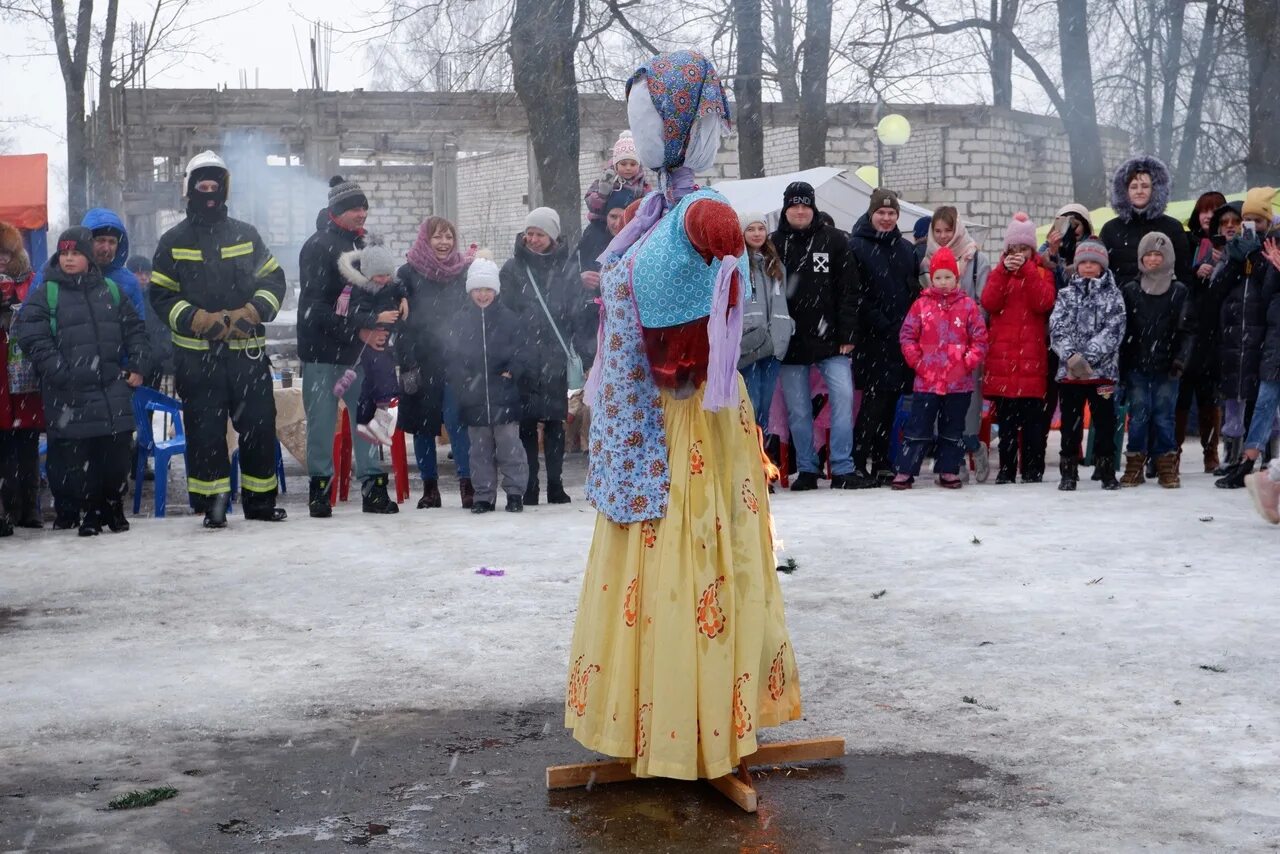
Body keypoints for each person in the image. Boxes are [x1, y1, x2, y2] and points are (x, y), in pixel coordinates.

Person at [565, 50, 800, 783]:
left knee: (690, 556)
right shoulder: (649, 213)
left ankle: (699, 722)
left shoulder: (701, 212)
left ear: (685, 126)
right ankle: (652, 714)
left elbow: (732, 300)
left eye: (651, 118)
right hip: (644, 425)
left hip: (693, 420)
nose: (639, 133)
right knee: (650, 558)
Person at [149, 151, 289, 528]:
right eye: (202, 187)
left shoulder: (246, 234)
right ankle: (213, 505)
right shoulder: (173, 241)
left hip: (247, 356)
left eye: (215, 186)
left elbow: (275, 281)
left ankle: (260, 503)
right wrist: (196, 319)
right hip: (198, 361)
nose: (208, 193)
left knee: (259, 426)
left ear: (225, 189)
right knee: (206, 433)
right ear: (189, 191)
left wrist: (253, 312)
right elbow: (161, 296)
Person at [15, 227, 149, 536]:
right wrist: (59, 370)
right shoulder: (47, 293)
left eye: (75, 253)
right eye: (64, 253)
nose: (69, 259)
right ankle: (90, 512)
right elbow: (31, 335)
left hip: (111, 390)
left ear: (88, 257)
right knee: (80, 458)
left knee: (117, 453)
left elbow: (136, 332)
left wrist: (139, 365)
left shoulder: (111, 291)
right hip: (69, 392)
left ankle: (113, 506)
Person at [298, 175, 398, 516]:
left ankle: (373, 490)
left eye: (365, 207)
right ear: (336, 211)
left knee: (368, 420)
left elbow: (384, 286)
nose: (362, 214)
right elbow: (316, 309)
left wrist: (400, 299)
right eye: (355, 208)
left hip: (360, 356)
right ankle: (319, 492)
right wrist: (359, 333)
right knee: (322, 424)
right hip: (322, 353)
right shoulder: (317, 246)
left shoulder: (369, 245)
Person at [771, 181, 863, 489]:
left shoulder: (834, 240)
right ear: (786, 209)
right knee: (797, 409)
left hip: (831, 338)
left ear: (813, 208)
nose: (800, 211)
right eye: (794, 206)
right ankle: (807, 469)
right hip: (791, 341)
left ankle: (841, 467)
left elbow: (849, 290)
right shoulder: (774, 243)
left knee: (843, 398)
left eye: (805, 205)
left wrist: (848, 332)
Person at [891, 247, 988, 490]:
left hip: (959, 383)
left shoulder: (967, 306)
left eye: (948, 277)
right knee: (918, 426)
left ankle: (948, 469)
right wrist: (919, 362)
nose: (943, 282)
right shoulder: (921, 305)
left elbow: (980, 340)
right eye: (938, 277)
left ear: (956, 277)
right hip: (927, 380)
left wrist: (966, 363)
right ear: (931, 278)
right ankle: (906, 470)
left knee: (953, 428)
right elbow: (907, 337)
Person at [397, 216, 477, 509]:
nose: (444, 243)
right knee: (422, 425)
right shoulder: (406, 274)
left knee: (458, 421)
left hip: (455, 360)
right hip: (421, 359)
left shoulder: (463, 272)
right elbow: (401, 324)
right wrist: (406, 362)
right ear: (425, 240)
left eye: (448, 237)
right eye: (437, 237)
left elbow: (473, 314)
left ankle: (467, 484)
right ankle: (429, 488)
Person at [499, 207, 575, 505]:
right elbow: (506, 311)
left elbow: (573, 308)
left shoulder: (566, 265)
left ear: (552, 236)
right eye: (529, 233)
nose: (532, 239)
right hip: (524, 355)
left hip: (554, 354)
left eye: (539, 234)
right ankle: (530, 484)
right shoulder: (512, 269)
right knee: (527, 423)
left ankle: (555, 484)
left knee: (556, 422)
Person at [447, 257, 529, 514]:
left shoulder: (509, 319)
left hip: (504, 395)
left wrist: (513, 372)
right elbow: (453, 358)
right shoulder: (460, 321)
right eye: (478, 289)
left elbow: (523, 351)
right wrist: (464, 380)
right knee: (479, 450)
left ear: (496, 290)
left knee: (509, 446)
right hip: (474, 397)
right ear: (470, 291)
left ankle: (515, 492)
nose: (483, 295)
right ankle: (483, 494)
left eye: (488, 289)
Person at [982, 214, 1058, 484]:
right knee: (1006, 424)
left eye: (1024, 249)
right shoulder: (997, 273)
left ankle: (1033, 469)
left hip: (1031, 361)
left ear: (1032, 250)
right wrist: (1004, 271)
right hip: (1003, 362)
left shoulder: (1042, 274)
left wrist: (1026, 270)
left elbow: (1043, 303)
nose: (1019, 254)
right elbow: (989, 302)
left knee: (1033, 423)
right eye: (1014, 250)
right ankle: (1006, 469)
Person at [850, 188, 919, 485]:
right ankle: (858, 459)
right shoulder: (856, 246)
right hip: (872, 338)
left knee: (892, 402)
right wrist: (882, 321)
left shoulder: (905, 249)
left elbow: (912, 290)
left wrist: (909, 325)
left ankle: (881, 460)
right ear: (871, 213)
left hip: (901, 339)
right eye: (882, 213)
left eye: (892, 214)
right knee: (873, 403)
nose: (887, 218)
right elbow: (856, 294)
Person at [1118, 232, 1196, 488]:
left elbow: (1187, 331)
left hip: (1168, 367)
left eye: (1158, 254)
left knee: (1164, 416)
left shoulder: (1179, 291)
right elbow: (1123, 330)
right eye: (1148, 254)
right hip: (1137, 365)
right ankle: (1134, 465)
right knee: (1138, 414)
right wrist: (1123, 362)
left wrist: (1180, 361)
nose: (1152, 259)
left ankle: (1166, 466)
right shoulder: (1130, 290)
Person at [921, 205, 992, 480]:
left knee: (967, 405)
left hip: (967, 345)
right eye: (937, 231)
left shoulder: (976, 259)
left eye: (947, 230)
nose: (942, 236)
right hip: (937, 348)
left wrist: (964, 317)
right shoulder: (926, 261)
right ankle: (953, 460)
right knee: (942, 407)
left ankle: (973, 445)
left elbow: (985, 304)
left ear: (958, 229)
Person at [1050, 237, 1125, 491]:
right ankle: (1068, 471)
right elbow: (1057, 328)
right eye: (1084, 262)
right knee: (1070, 426)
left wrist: (1089, 357)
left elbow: (1114, 330)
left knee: (1104, 423)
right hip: (1070, 375)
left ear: (1102, 265)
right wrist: (1071, 357)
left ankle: (1106, 470)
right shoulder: (1065, 294)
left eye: (1094, 262)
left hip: (1101, 375)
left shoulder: (1113, 296)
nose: (1089, 267)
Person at [1213, 188, 1277, 489]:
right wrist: (1239, 260)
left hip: (1266, 335)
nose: (1251, 225)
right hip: (1246, 337)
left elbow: (1267, 296)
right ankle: (1242, 460)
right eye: (1246, 220)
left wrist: (1263, 260)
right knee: (1251, 403)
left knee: (1263, 403)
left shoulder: (1272, 249)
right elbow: (1217, 292)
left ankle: (1264, 461)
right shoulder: (1235, 250)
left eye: (1257, 220)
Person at [1177, 201, 1237, 475]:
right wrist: (1194, 272)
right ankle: (1172, 452)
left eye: (1215, 212)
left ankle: (1210, 452)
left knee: (1210, 397)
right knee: (1180, 392)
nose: (1208, 216)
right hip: (1185, 327)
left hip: (1214, 327)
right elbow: (1173, 273)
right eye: (1204, 210)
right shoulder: (1186, 242)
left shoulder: (1229, 245)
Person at [336, 241, 410, 446]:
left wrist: (403, 298)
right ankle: (379, 422)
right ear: (368, 274)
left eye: (387, 275)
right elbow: (354, 316)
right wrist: (378, 318)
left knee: (370, 385)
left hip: (386, 340)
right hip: (369, 345)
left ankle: (364, 421)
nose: (384, 280)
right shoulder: (360, 290)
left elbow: (399, 286)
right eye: (379, 276)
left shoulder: (391, 283)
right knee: (385, 382)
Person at [0, 221, 44, 531]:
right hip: (1, 379)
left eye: (5, 253)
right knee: (3, 444)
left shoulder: (30, 281)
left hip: (24, 374)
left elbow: (41, 316)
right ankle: (8, 510)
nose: (1, 259)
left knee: (27, 442)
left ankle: (30, 509)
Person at [570, 188, 640, 375]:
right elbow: (567, 271)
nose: (617, 223)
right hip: (593, 327)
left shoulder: (642, 240)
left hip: (632, 328)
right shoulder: (592, 236)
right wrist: (580, 278)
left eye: (623, 216)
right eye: (612, 216)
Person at [1099, 155, 1193, 285]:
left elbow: (1183, 273)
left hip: (1163, 302)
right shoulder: (1110, 229)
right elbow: (1102, 273)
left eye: (1145, 186)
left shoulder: (1172, 227)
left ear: (1155, 190)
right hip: (1121, 301)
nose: (1139, 191)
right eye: (1133, 187)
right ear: (1124, 191)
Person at [737, 212, 793, 432]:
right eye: (750, 229)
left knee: (765, 405)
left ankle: (762, 456)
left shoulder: (775, 264)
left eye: (760, 228)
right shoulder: (737, 264)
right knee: (751, 401)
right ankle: (749, 451)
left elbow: (782, 302)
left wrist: (787, 326)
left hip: (774, 343)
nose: (757, 233)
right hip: (748, 342)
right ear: (742, 232)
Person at [81, 208, 146, 321]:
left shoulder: (129, 282)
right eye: (101, 240)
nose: (106, 248)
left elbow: (138, 329)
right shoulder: (63, 276)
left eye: (112, 242)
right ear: (86, 241)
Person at [125, 255, 173, 390]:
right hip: (130, 365)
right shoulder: (124, 297)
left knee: (148, 405)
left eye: (147, 273)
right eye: (139, 273)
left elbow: (166, 329)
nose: (144, 278)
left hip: (155, 364)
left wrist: (160, 351)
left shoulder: (156, 299)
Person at [583, 130, 651, 226]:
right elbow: (591, 205)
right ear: (616, 165)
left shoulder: (642, 185)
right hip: (602, 224)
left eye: (633, 164)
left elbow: (649, 207)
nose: (628, 168)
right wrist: (602, 194)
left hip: (630, 225)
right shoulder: (606, 179)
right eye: (623, 164)